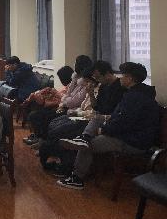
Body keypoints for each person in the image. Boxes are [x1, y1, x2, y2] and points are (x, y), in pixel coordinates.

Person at [57, 62, 161, 190]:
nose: (120, 78)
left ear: (130, 78)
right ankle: (84, 137)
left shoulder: (136, 98)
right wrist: (105, 121)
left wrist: (104, 130)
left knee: (88, 145)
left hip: (134, 142)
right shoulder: (134, 94)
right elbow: (118, 117)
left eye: (123, 75)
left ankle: (77, 178)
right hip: (127, 135)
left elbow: (123, 123)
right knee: (97, 118)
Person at [23, 65, 74, 145]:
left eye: (61, 78)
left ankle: (41, 138)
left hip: (64, 109)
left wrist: (55, 94)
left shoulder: (73, 87)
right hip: (57, 106)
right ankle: (38, 136)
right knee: (35, 112)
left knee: (36, 115)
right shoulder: (68, 86)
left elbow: (67, 101)